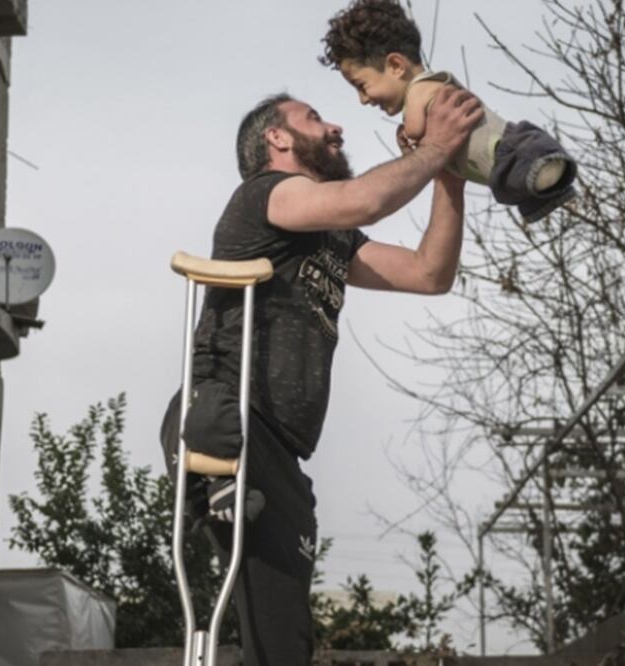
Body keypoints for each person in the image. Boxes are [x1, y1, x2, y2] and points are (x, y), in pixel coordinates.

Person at [159, 87, 482, 665]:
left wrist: (449, 175)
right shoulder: (267, 194)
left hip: (280, 451)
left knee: (284, 641)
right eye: (313, 118)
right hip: (230, 414)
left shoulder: (332, 235)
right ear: (276, 139)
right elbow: (365, 200)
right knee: (276, 637)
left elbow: (429, 273)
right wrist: (436, 145)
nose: (335, 126)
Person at [319, 0, 578, 223]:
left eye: (362, 86)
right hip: (501, 166)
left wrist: (409, 141)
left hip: (508, 150)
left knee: (524, 167)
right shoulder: (428, 96)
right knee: (522, 183)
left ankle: (547, 171)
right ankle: (550, 183)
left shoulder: (421, 88)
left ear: (396, 66)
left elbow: (415, 131)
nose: (363, 100)